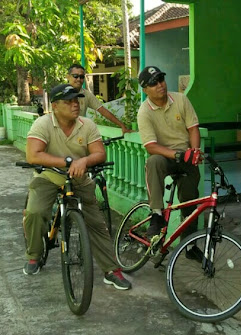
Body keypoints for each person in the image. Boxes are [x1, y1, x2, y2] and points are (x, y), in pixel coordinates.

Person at [22, 83, 131, 290]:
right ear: (54, 106)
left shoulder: (87, 125)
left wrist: (83, 162)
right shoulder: (43, 124)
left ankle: (110, 270)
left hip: (79, 179)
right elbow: (33, 155)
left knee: (96, 223)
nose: (75, 105)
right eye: (68, 101)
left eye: (76, 101)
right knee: (35, 212)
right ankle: (34, 255)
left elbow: (99, 153)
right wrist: (69, 162)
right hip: (48, 177)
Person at [136, 65, 203, 262]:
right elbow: (151, 146)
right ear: (145, 89)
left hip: (186, 156)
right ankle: (156, 214)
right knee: (153, 161)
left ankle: (190, 245)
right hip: (166, 156)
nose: (160, 85)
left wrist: (195, 152)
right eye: (154, 83)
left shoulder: (180, 99)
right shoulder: (144, 112)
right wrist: (176, 155)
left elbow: (193, 128)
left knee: (190, 201)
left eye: (161, 80)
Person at [66, 64, 132, 134]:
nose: (79, 79)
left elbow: (103, 111)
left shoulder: (86, 94)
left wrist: (122, 125)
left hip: (77, 134)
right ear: (68, 76)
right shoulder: (60, 93)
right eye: (75, 76)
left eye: (81, 77)